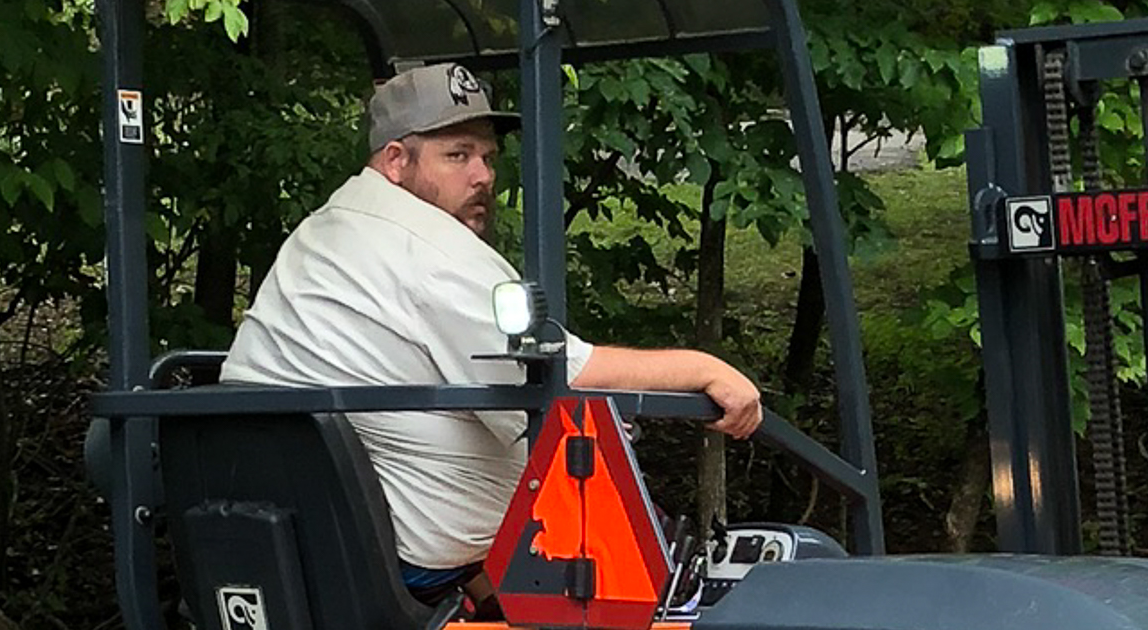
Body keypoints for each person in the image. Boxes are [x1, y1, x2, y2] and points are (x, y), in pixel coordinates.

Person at [223, 62, 762, 596]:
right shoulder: (425, 248)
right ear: (394, 161)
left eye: (486, 156)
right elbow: (569, 374)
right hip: (417, 556)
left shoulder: (326, 230)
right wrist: (705, 368)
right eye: (456, 155)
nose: (482, 175)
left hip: (304, 538)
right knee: (650, 557)